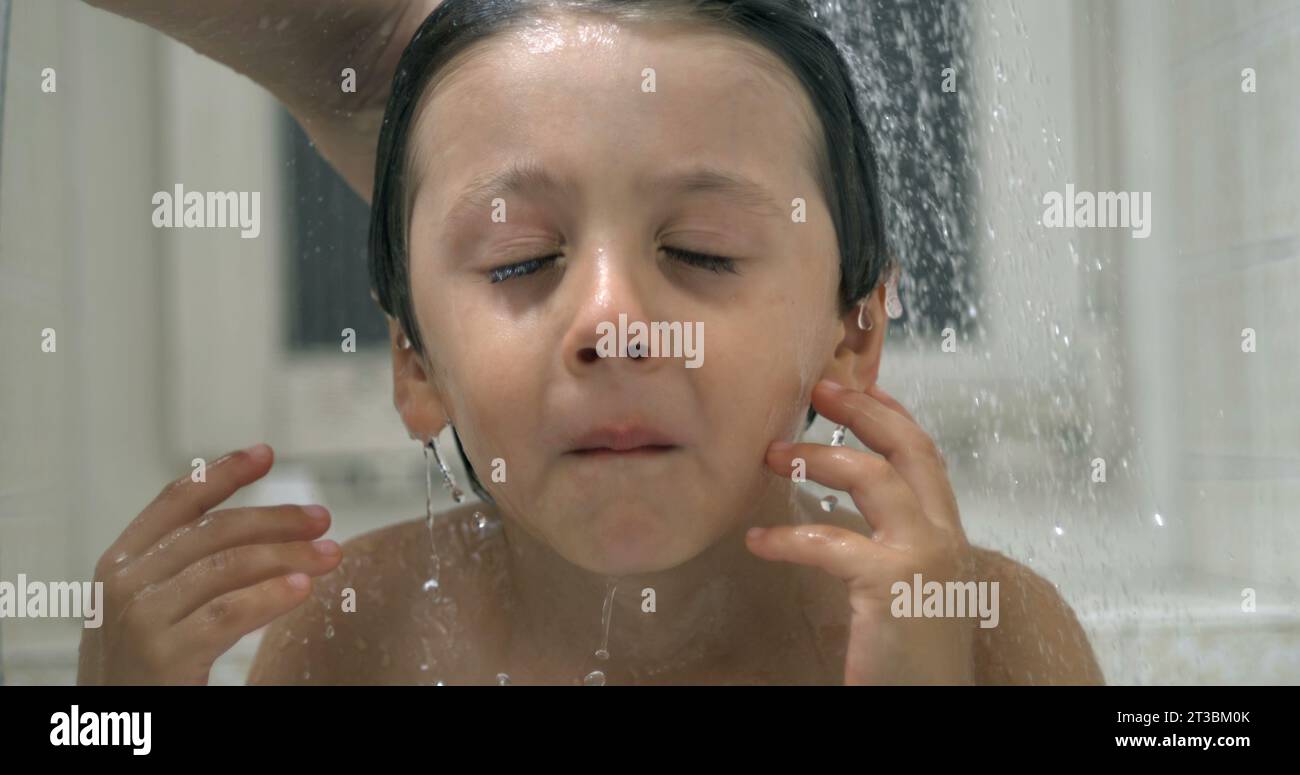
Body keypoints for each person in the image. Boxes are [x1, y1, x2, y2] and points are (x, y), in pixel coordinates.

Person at [78, 0, 1104, 685]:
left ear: (852, 335)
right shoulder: (364, 631)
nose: (614, 326)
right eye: (520, 259)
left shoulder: (983, 628)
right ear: (415, 363)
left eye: (700, 252)